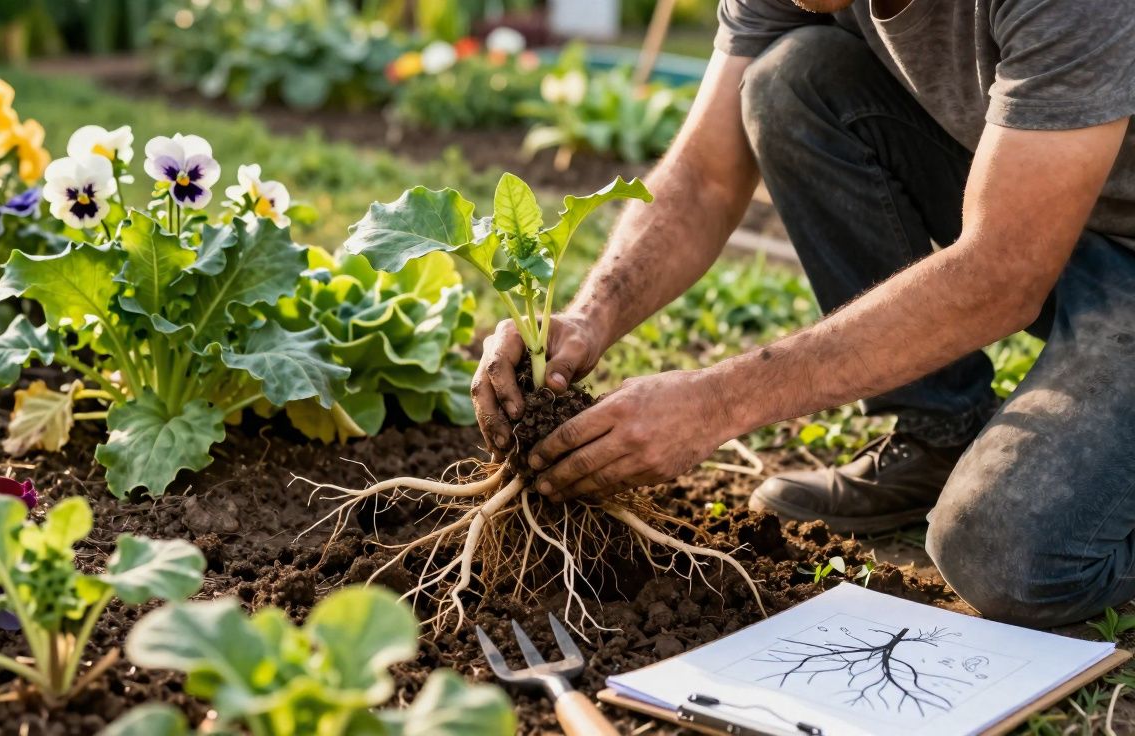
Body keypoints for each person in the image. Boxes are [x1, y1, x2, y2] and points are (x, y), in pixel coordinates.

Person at [470, 0, 1135, 628]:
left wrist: (717, 402)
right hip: (1045, 212)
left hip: (1065, 245)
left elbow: (1002, 273)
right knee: (791, 80)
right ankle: (941, 433)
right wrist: (589, 317)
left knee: (1007, 556)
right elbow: (706, 174)